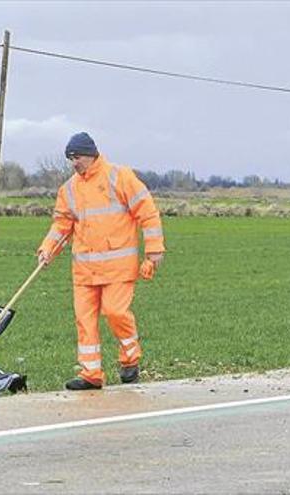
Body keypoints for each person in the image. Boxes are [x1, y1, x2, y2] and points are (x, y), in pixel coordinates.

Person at [37, 132, 165, 390]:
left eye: (78, 156)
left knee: (116, 312)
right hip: (84, 270)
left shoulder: (120, 177)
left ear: (91, 154)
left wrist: (154, 251)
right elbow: (62, 225)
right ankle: (91, 374)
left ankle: (130, 360)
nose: (74, 162)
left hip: (118, 268)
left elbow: (148, 213)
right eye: (70, 158)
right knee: (84, 321)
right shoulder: (69, 189)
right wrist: (47, 248)